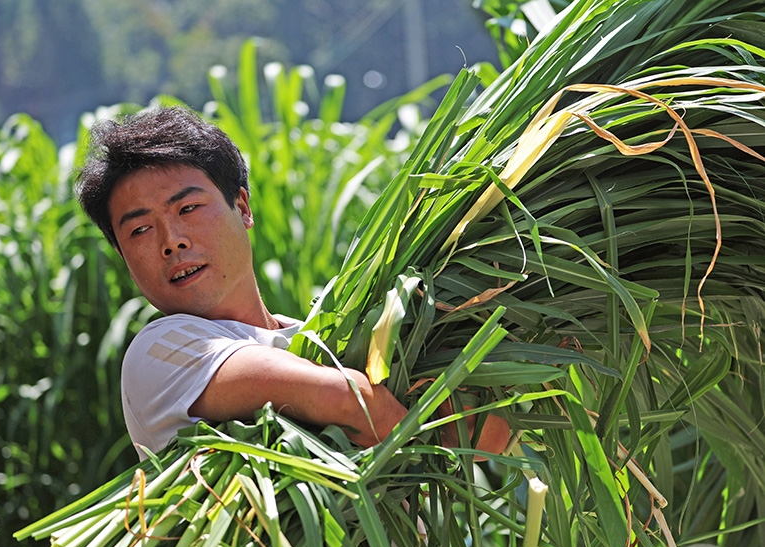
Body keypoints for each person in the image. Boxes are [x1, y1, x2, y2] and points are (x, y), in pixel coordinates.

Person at [75, 106, 509, 460]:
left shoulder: (314, 338)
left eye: (187, 208)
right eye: (140, 231)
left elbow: (487, 440)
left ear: (242, 208)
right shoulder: (160, 350)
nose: (173, 241)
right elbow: (347, 399)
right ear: (126, 260)